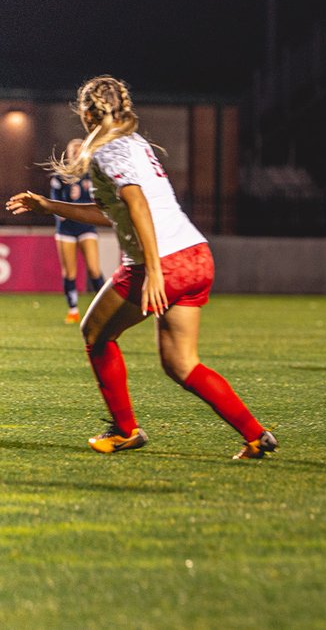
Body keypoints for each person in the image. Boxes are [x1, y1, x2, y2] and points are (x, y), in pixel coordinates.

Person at [6, 75, 277, 459]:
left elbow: (137, 204)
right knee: (182, 364)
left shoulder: (108, 149)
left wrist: (152, 269)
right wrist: (49, 206)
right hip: (196, 255)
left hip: (163, 261)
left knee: (95, 333)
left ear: (87, 113)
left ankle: (125, 431)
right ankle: (255, 435)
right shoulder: (134, 143)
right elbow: (111, 212)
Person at [50, 138, 106, 323]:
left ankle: (106, 307)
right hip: (66, 229)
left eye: (79, 150)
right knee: (69, 273)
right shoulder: (60, 176)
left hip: (86, 227)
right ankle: (73, 310)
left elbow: (98, 202)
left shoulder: (91, 174)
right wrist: (68, 200)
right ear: (68, 154)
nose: (76, 154)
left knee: (94, 270)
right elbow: (55, 204)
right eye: (73, 151)